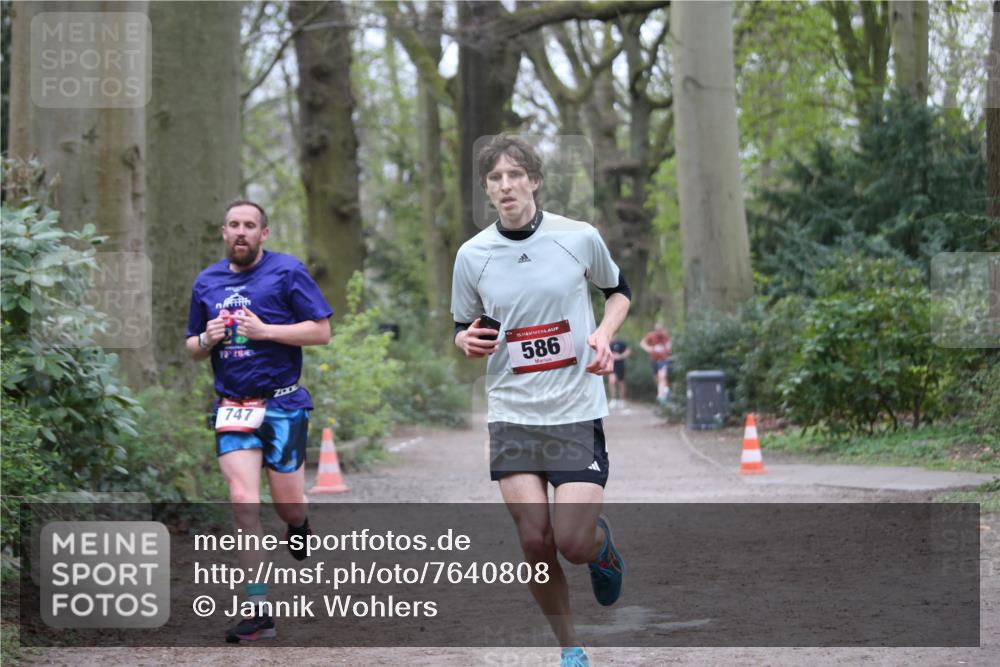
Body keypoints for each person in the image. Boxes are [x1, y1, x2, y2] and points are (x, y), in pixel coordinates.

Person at [451, 135, 630, 667]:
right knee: (535, 541)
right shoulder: (472, 255)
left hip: (574, 409)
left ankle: (603, 550)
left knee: (572, 542)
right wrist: (465, 341)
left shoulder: (578, 237)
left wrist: (602, 334)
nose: (505, 186)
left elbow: (618, 290)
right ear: (487, 189)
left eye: (514, 175)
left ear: (533, 180)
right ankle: (570, 649)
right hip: (512, 413)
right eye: (494, 178)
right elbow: (464, 326)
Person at [186, 199, 332, 643]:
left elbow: (321, 331)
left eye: (250, 225)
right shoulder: (206, 282)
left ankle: (298, 524)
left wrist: (265, 331)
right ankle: (258, 609)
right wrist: (206, 339)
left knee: (289, 504)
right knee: (242, 501)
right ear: (224, 232)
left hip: (284, 404)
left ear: (264, 234)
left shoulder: (286, 272)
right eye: (234, 225)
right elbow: (191, 346)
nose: (242, 232)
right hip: (232, 405)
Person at [640, 322, 671, 403]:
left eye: (660, 330)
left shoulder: (665, 336)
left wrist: (667, 348)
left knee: (662, 376)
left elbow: (669, 345)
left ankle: (661, 396)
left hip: (663, 360)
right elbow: (642, 343)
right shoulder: (651, 335)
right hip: (654, 360)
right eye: (657, 330)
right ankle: (665, 390)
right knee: (657, 378)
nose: (659, 331)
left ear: (663, 329)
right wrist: (649, 349)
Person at [608, 336, 631, 409]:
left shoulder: (621, 343)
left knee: (621, 383)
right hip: (612, 365)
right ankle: (613, 399)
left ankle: (622, 400)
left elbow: (628, 351)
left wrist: (620, 356)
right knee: (612, 381)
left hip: (620, 365)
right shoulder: (608, 343)